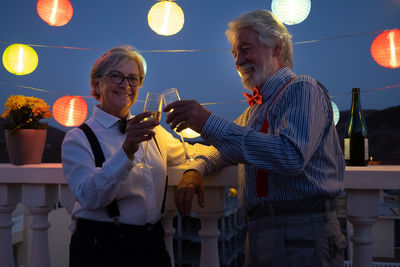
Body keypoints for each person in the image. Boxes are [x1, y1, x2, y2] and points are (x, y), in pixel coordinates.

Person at [164, 10, 346, 267]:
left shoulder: (303, 88)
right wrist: (196, 168)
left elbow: (290, 156)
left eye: (246, 49)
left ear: (277, 47)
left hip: (301, 231)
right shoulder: (255, 110)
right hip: (262, 230)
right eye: (235, 53)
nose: (239, 59)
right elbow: (226, 149)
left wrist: (206, 121)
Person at [62, 45, 192, 267]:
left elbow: (192, 154)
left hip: (152, 246)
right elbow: (89, 197)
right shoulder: (78, 138)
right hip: (100, 248)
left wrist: (195, 171)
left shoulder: (154, 131)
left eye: (133, 78)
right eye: (116, 76)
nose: (126, 85)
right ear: (96, 84)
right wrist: (126, 151)